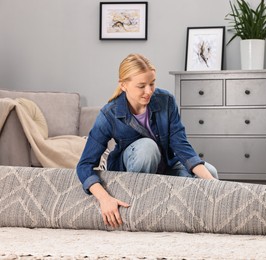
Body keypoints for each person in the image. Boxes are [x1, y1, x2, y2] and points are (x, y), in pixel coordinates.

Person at [76, 53, 218, 228]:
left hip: (165, 167)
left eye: (152, 83)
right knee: (147, 147)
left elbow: (180, 145)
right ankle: (140, 209)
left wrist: (212, 182)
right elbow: (84, 165)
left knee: (210, 172)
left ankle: (195, 221)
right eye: (141, 86)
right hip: (130, 175)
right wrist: (104, 199)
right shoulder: (109, 114)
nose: (149, 91)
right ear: (123, 85)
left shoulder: (166, 101)